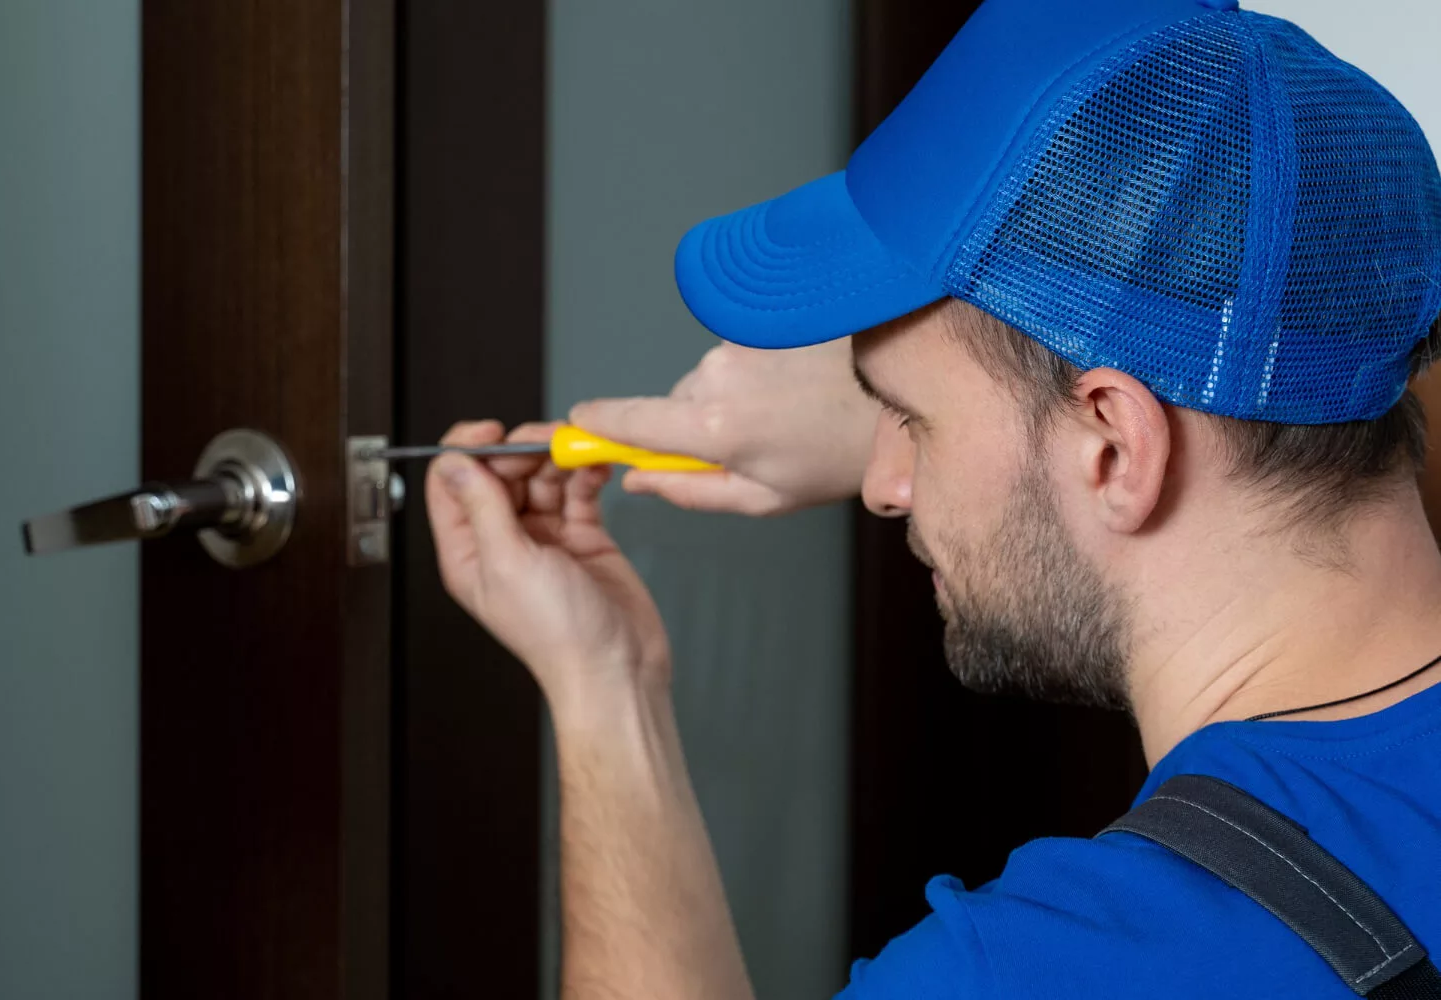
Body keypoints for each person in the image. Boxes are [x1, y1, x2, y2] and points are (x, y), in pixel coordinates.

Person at [423, 0, 1441, 996]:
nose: (881, 486)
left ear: (1112, 446)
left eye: (909, 422)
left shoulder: (1039, 971)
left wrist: (604, 688)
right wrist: (937, 401)